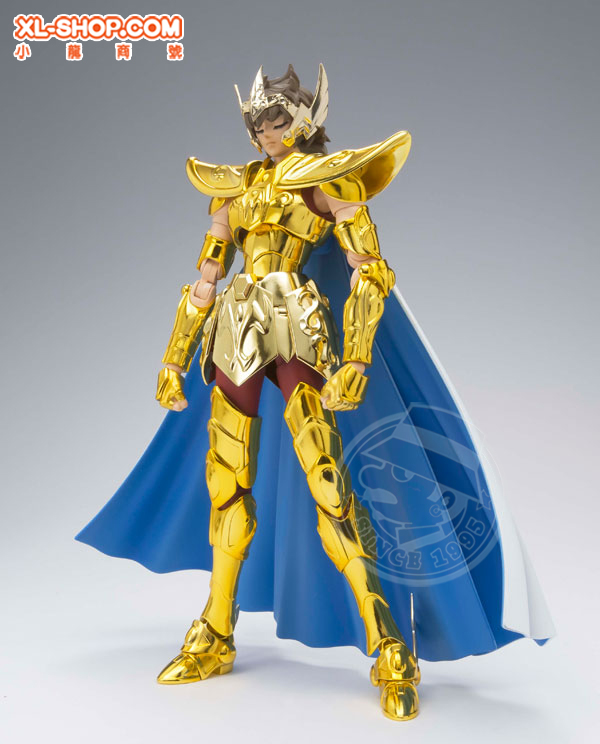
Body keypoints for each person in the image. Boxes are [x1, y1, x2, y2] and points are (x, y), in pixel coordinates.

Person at [77, 64, 555, 722]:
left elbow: (370, 272)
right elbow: (206, 280)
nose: (265, 133)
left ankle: (389, 645)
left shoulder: (330, 182)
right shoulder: (234, 189)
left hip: (297, 325)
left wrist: (356, 357)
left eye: (276, 121)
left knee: (329, 481)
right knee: (225, 482)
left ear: (304, 122)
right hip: (237, 328)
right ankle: (215, 630)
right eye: (258, 124)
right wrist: (173, 358)